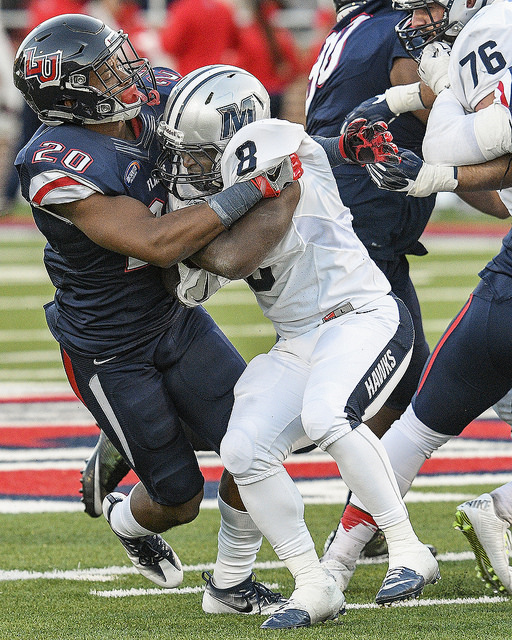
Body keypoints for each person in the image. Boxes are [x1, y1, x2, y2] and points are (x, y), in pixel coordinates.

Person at [13, 13, 303, 614]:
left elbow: (230, 106)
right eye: (106, 71)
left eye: (119, 58)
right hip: (109, 348)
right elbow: (156, 243)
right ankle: (127, 518)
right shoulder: (55, 162)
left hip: (175, 316)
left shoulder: (152, 98)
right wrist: (252, 188)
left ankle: (232, 581)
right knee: (178, 498)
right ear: (72, 95)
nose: (128, 72)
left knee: (256, 441)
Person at [153, 63, 440, 628]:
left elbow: (232, 258)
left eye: (199, 155)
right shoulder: (239, 182)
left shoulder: (271, 147)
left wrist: (173, 239)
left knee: (328, 414)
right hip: (299, 339)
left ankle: (408, 549)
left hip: (361, 316)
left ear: (237, 139)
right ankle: (313, 582)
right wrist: (184, 235)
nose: (190, 168)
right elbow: (187, 285)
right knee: (243, 447)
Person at [319, 0, 512, 596]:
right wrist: (440, 159)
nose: (424, 20)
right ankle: (498, 509)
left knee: (413, 418)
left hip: (494, 278)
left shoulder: (369, 33)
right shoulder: (482, 29)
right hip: (363, 231)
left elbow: (462, 138)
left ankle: (336, 563)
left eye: (431, 8)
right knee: (345, 401)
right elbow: (479, 136)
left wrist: (433, 152)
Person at [233, 0, 303, 118]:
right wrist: (282, 82)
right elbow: (296, 68)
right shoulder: (281, 36)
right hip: (276, 94)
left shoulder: (246, 35)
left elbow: (238, 68)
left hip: (253, 94)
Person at [159, 0, 240, 76]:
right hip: (217, 75)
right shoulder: (224, 10)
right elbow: (235, 43)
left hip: (191, 76)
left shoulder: (184, 9)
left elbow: (169, 45)